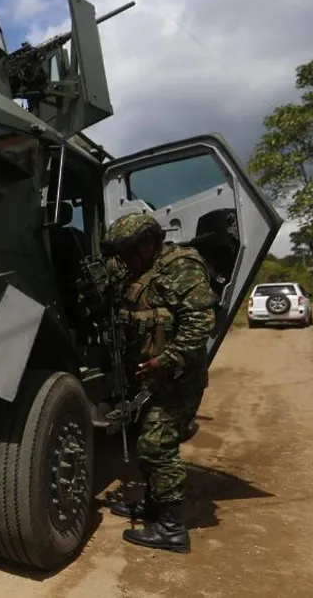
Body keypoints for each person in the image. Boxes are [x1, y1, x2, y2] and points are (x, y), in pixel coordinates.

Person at [101, 211, 216, 554]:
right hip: (147, 375)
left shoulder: (182, 267)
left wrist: (165, 361)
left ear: (149, 242)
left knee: (157, 445)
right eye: (119, 253)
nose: (123, 260)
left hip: (178, 376)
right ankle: (153, 505)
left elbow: (200, 325)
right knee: (145, 441)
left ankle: (172, 528)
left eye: (128, 251)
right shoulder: (133, 269)